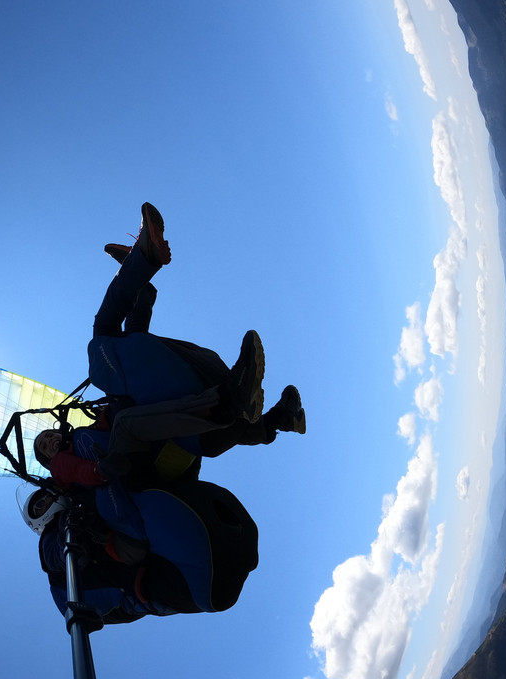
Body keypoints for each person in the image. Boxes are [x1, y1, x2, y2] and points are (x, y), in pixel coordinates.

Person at [35, 202, 305, 485]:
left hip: (155, 432)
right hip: (132, 458)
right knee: (104, 343)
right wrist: (99, 471)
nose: (50, 441)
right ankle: (139, 269)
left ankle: (281, 419)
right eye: (44, 446)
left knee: (134, 344)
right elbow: (78, 472)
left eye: (47, 436)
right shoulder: (61, 464)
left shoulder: (85, 435)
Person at [21, 478, 259, 623]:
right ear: (37, 522)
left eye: (44, 497)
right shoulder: (52, 539)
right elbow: (56, 557)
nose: (46, 502)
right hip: (155, 579)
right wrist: (71, 528)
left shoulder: (82, 496)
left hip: (186, 549)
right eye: (39, 507)